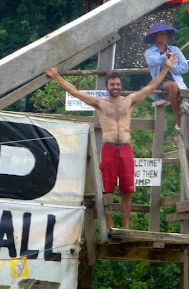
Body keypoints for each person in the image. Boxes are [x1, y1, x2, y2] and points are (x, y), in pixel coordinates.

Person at [45, 53, 178, 230]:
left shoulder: (129, 101)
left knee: (127, 190)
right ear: (107, 86)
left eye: (117, 84)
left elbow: (151, 86)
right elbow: (74, 91)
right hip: (108, 148)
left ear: (120, 86)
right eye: (112, 84)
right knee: (107, 190)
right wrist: (55, 76)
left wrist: (167, 67)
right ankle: (109, 227)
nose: (115, 86)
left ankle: (126, 227)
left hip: (125, 149)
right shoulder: (100, 103)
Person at [144, 22, 189, 130]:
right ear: (154, 36)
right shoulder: (149, 52)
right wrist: (166, 56)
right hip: (160, 82)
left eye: (165, 34)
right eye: (161, 34)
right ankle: (177, 118)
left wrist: (172, 66)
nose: (164, 36)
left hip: (178, 82)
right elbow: (153, 62)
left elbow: (185, 67)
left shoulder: (176, 50)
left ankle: (186, 124)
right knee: (173, 86)